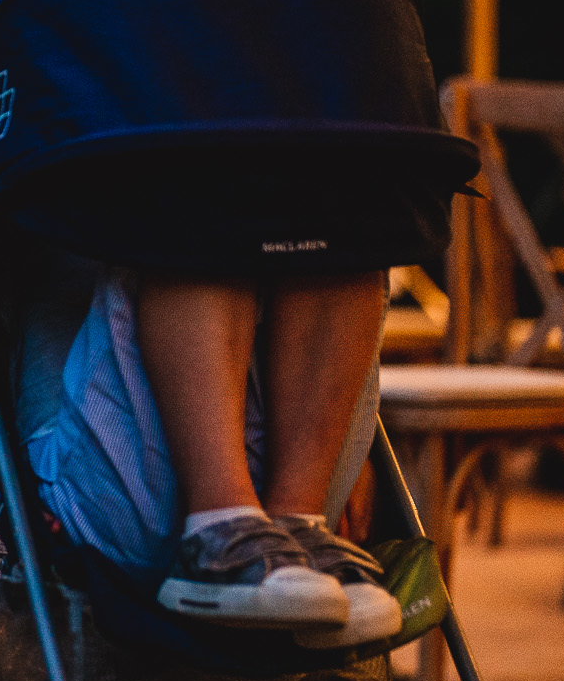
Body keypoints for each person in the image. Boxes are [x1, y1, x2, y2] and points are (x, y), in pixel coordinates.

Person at [20, 261, 401, 647]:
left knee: (344, 221)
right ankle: (218, 525)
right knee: (212, 214)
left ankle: (296, 527)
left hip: (305, 491)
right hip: (113, 501)